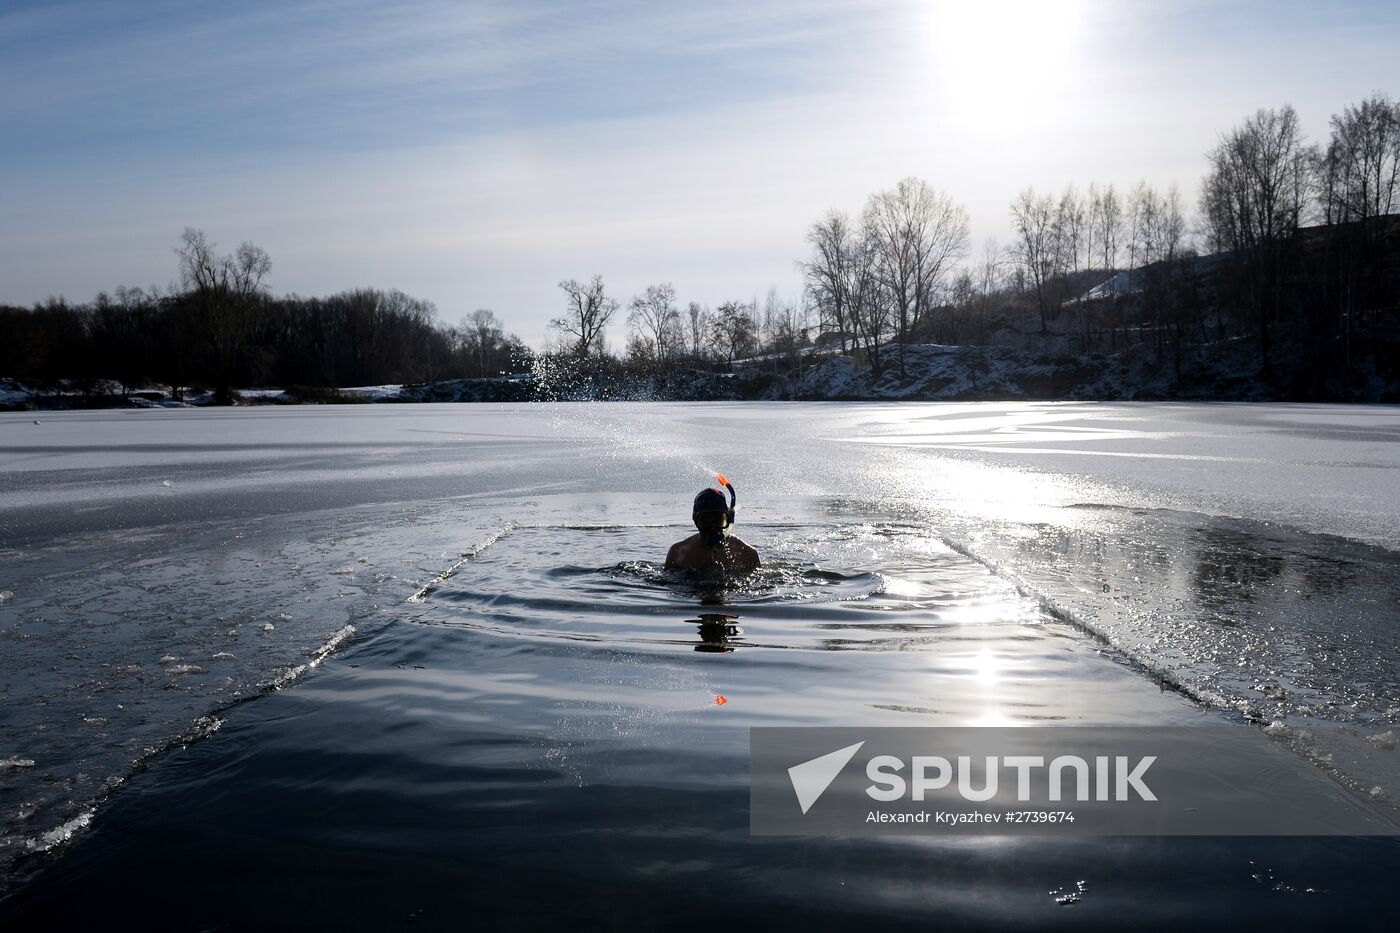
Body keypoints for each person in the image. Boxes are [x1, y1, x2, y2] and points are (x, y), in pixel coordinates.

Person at [666, 475, 761, 572]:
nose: (712, 528)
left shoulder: (748, 554)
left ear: (728, 520)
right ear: (695, 520)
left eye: (718, 520)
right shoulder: (677, 553)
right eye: (705, 521)